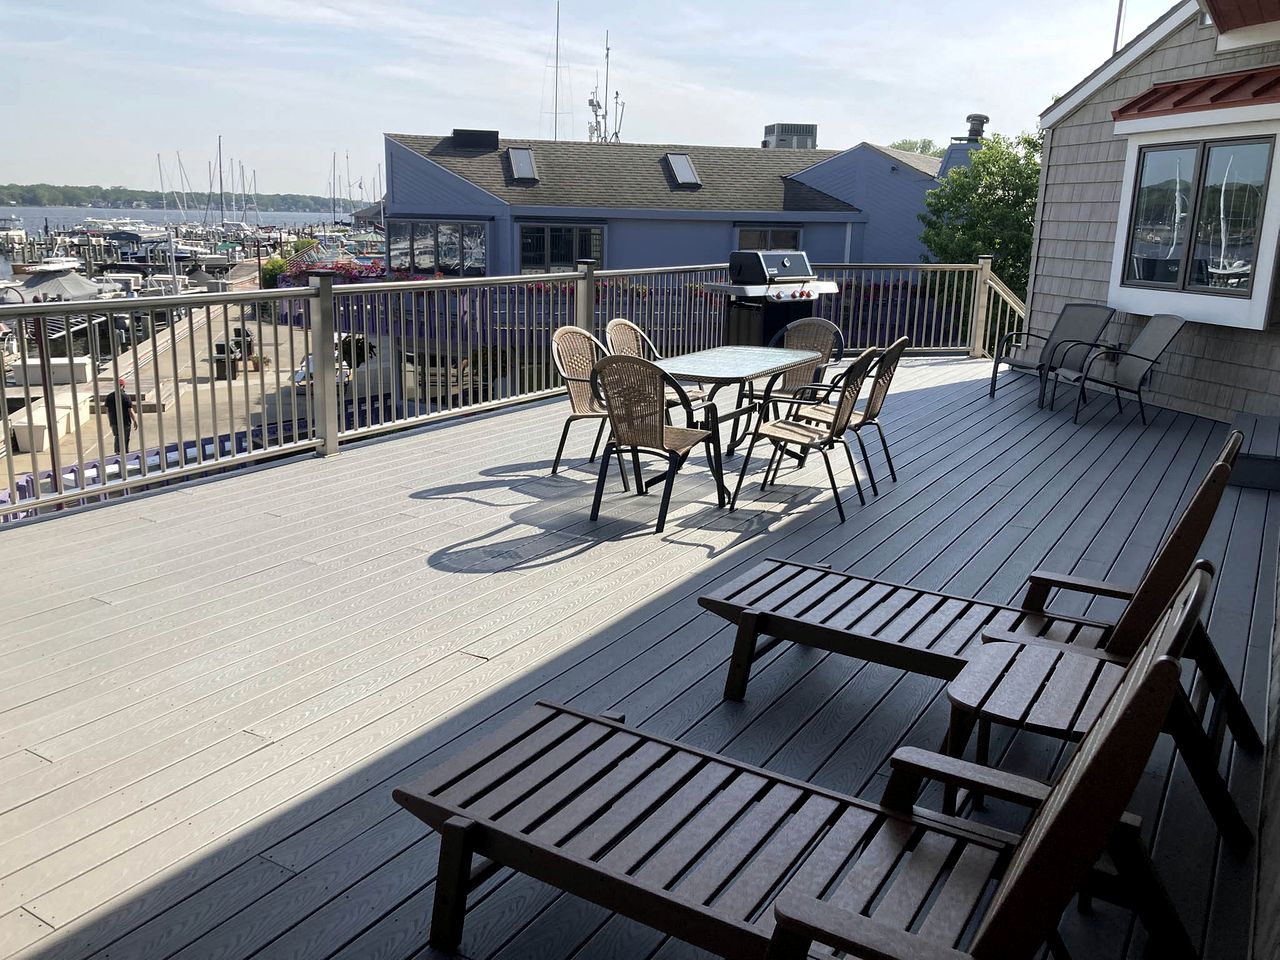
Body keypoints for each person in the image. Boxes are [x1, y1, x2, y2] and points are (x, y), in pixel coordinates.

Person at [102, 377, 137, 453]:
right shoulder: (126, 397)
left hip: (114, 421)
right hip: (125, 421)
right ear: (123, 386)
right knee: (125, 438)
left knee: (117, 436)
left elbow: (107, 410)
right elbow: (130, 410)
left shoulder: (109, 396)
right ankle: (125, 452)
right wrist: (135, 420)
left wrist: (110, 420)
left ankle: (118, 451)